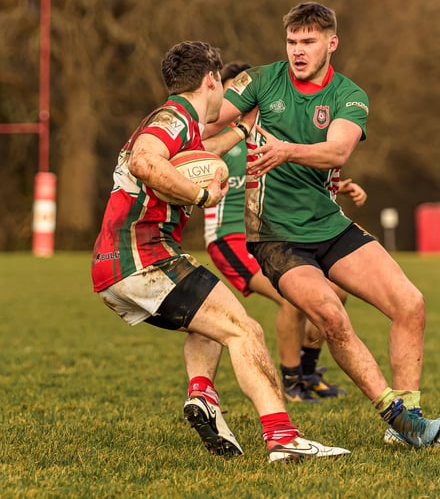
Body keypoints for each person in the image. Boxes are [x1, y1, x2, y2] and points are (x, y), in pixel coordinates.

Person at [90, 40, 349, 463]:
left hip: (118, 265)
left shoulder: (181, 123)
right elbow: (144, 161)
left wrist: (242, 130)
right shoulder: (173, 119)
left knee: (212, 325)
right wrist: (201, 195)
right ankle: (283, 438)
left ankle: (203, 396)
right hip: (144, 258)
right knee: (246, 332)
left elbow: (199, 154)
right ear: (212, 81)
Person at [203, 3, 440, 448]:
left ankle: (407, 417)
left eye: (308, 41)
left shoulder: (350, 95)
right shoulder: (260, 79)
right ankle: (398, 418)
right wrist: (171, 142)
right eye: (292, 41)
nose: (298, 51)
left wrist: (286, 150)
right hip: (275, 238)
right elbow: (206, 117)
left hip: (329, 225)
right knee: (331, 316)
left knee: (411, 304)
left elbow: (337, 151)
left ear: (331, 43)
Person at [201, 61, 367, 403]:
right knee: (293, 297)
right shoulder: (229, 138)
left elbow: (297, 175)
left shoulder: (270, 131)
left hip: (268, 230)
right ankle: (291, 381)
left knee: (335, 294)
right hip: (231, 237)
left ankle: (306, 372)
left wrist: (340, 186)